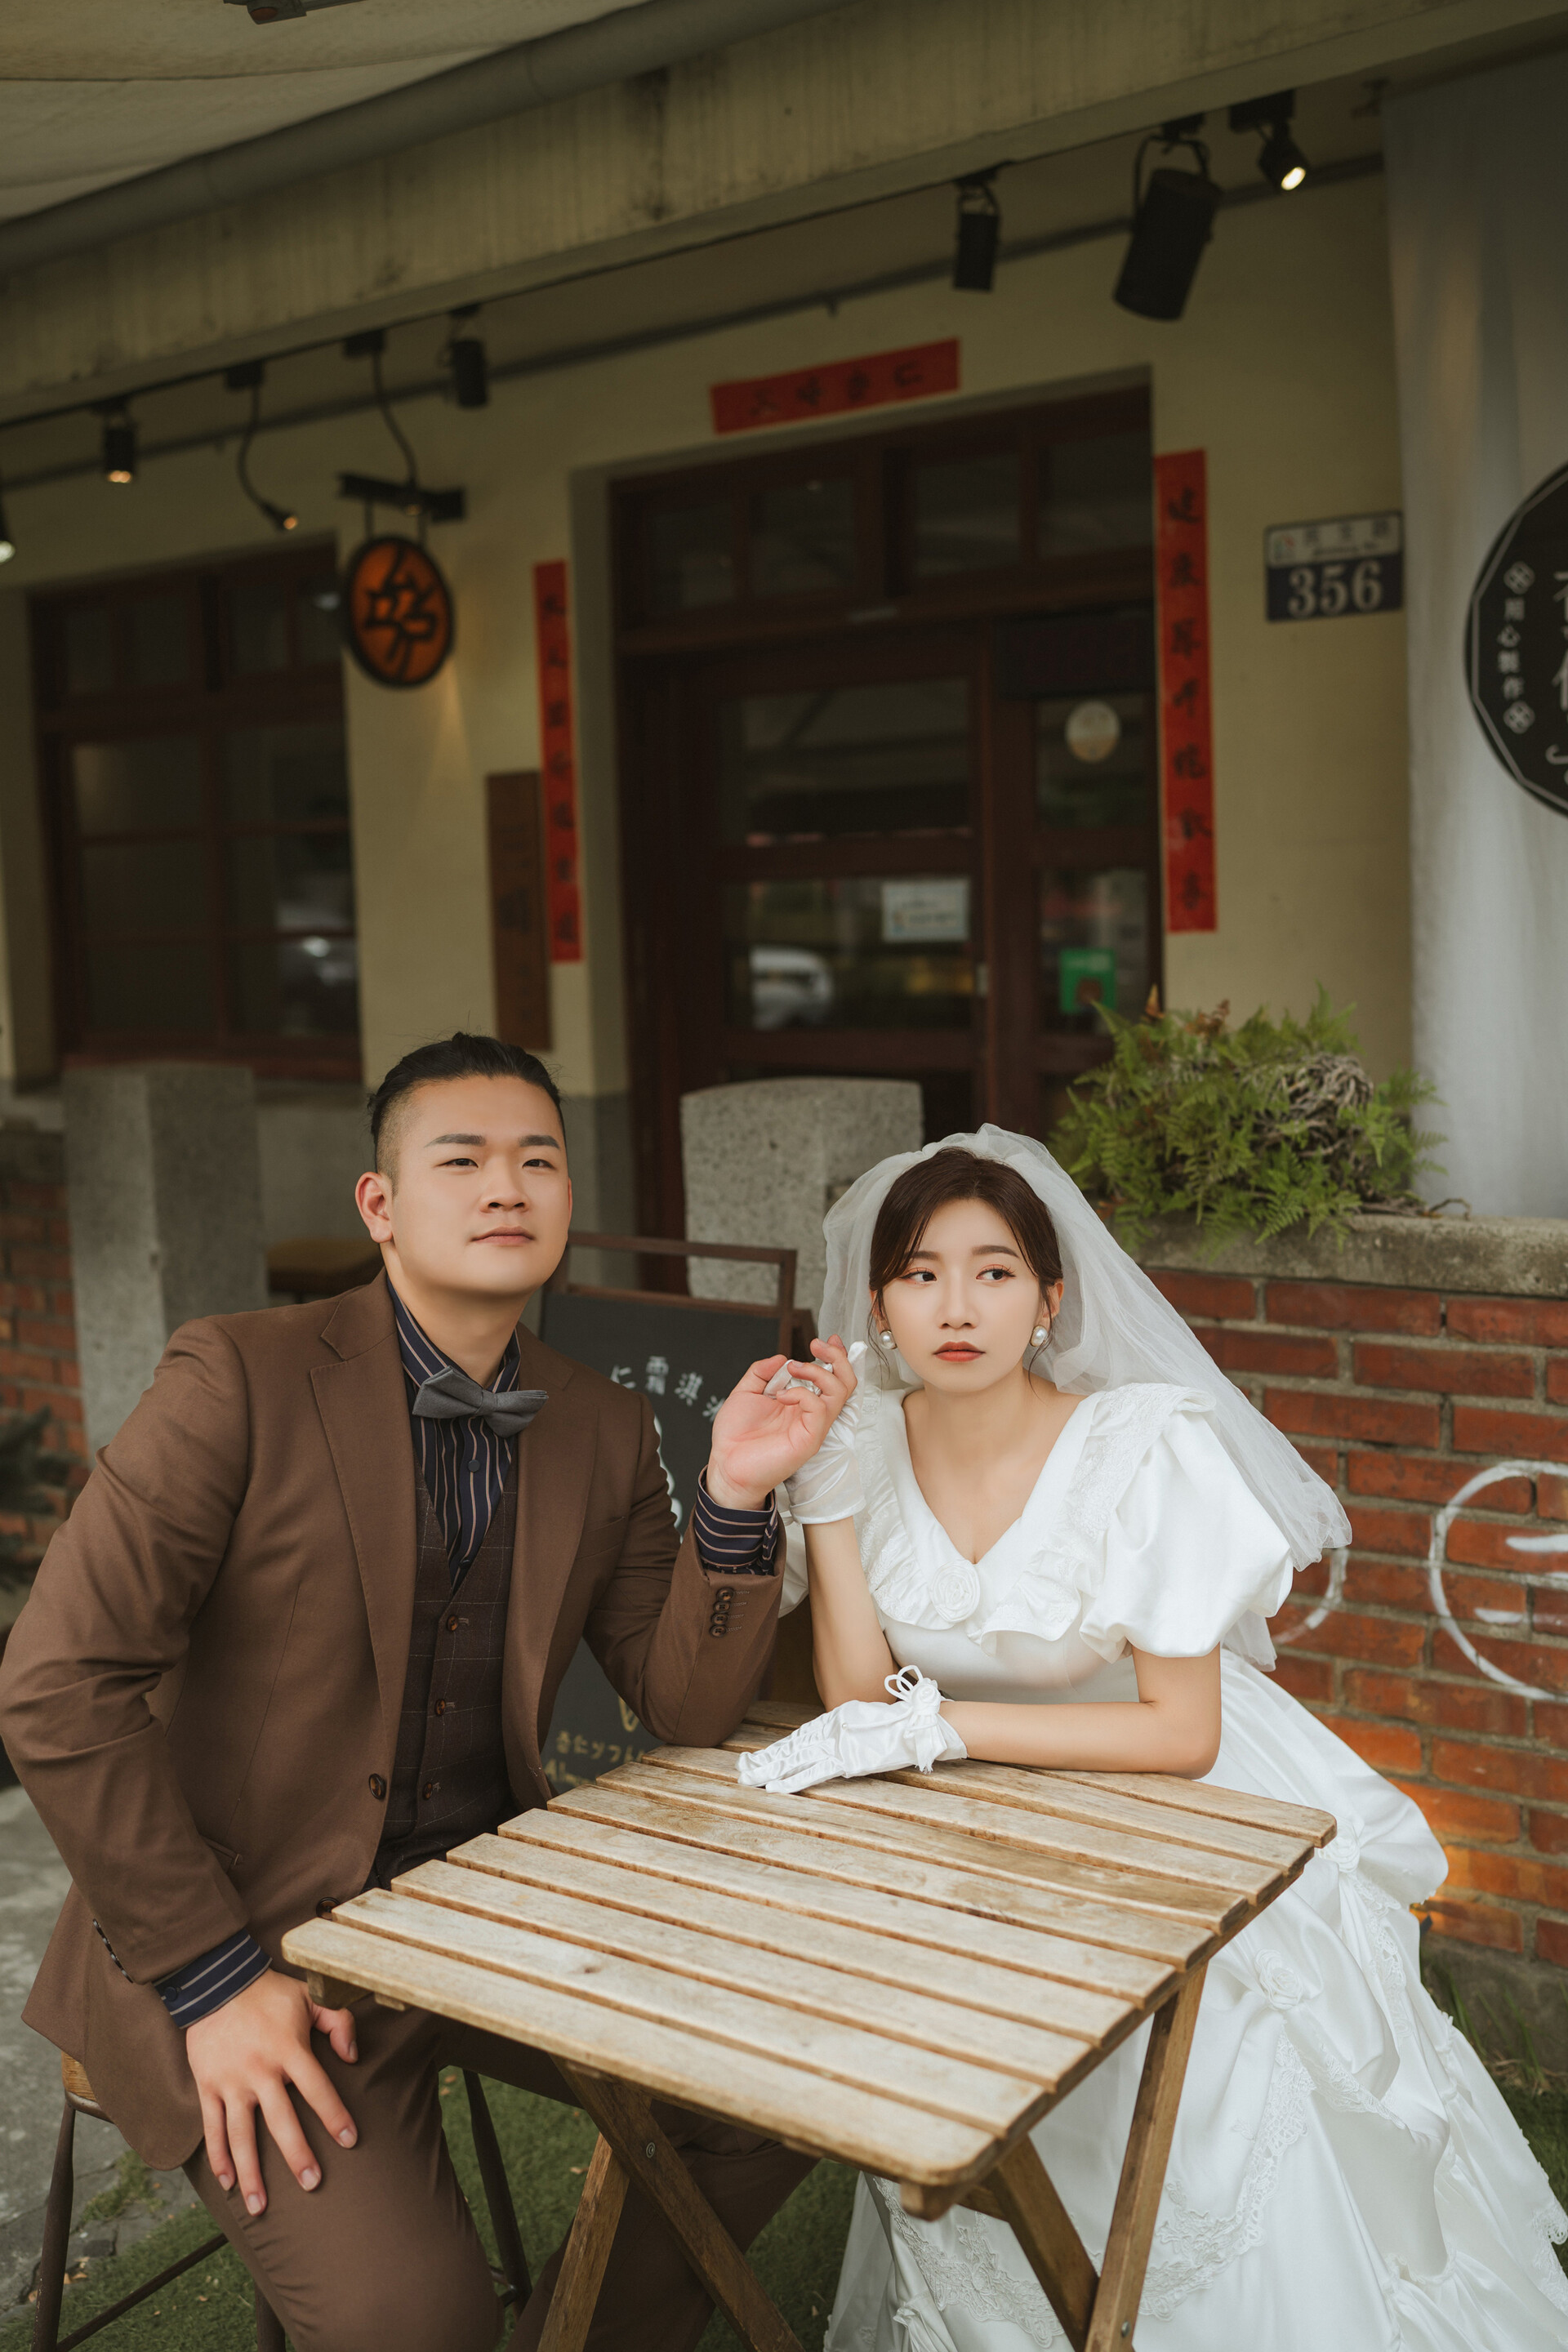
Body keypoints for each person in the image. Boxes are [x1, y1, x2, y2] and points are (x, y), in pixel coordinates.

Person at [0, 1032, 844, 2352]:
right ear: (380, 1204)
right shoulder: (236, 1374)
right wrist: (212, 1982)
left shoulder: (602, 1421)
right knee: (417, 2322)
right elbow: (58, 1684)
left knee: (787, 2088)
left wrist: (734, 1492)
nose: (507, 1186)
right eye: (463, 1160)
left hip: (483, 1908)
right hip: (247, 1940)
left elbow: (683, 1703)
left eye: (538, 1161)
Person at [740, 1128, 1568, 2351]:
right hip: (977, 1806)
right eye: (920, 1274)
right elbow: (862, 1691)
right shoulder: (860, 1440)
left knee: (1214, 2071)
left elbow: (1184, 1732)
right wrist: (828, 1496)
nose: (956, 1307)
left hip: (1168, 1790)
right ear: (878, 1305)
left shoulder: (1140, 1443)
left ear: (1048, 1301)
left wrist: (944, 1726)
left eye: (994, 1272)